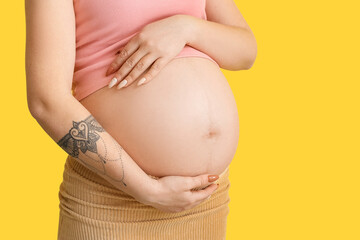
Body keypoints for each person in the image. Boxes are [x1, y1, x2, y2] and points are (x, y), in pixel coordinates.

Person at [25, 0, 257, 239]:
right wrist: (147, 190)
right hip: (112, 202)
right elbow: (46, 101)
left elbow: (245, 51)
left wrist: (186, 28)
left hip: (204, 201)